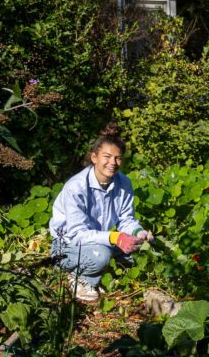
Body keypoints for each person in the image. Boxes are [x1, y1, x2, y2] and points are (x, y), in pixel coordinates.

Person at [48, 123, 153, 302]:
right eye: (107, 156)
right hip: (67, 245)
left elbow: (126, 219)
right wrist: (115, 238)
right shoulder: (77, 187)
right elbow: (77, 234)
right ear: (94, 157)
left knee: (140, 253)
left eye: (118, 158)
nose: (112, 163)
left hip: (98, 242)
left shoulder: (124, 183)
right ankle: (80, 279)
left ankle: (94, 275)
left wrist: (138, 233)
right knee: (102, 256)